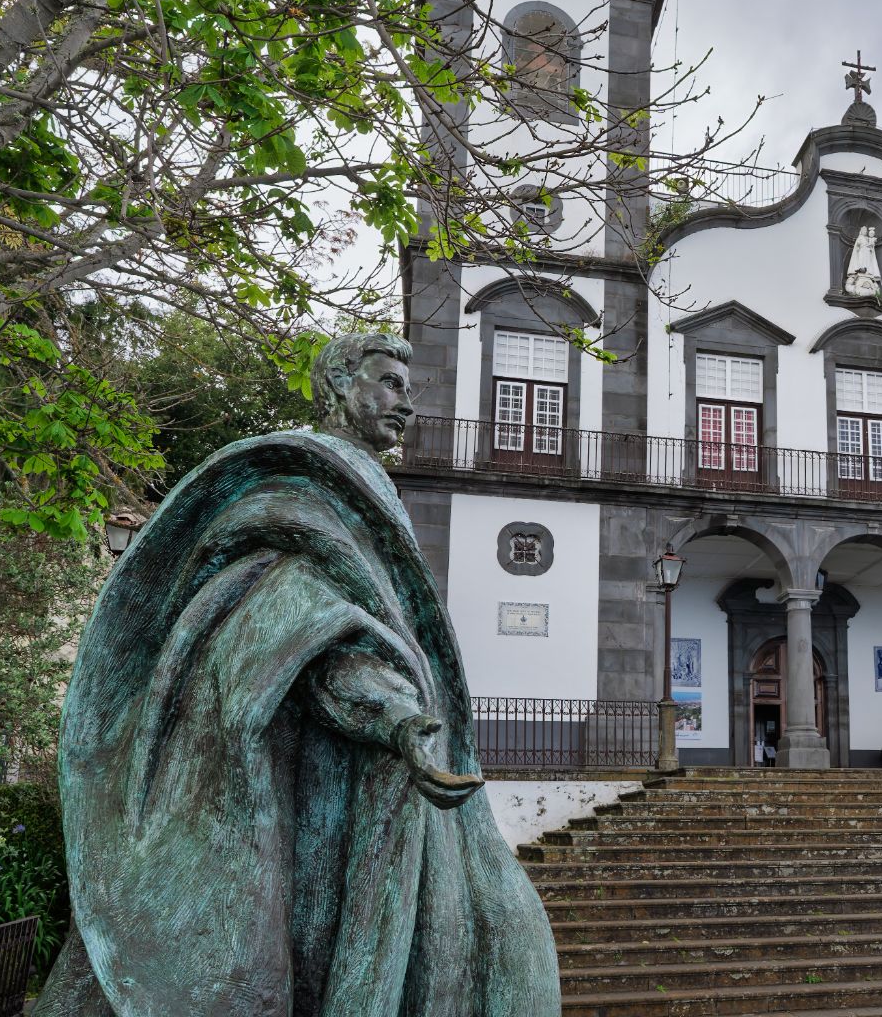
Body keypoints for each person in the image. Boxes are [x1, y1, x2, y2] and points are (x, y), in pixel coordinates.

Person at [35, 332, 559, 1015]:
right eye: (388, 382)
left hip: (368, 780)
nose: (406, 402)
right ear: (340, 385)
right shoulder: (306, 494)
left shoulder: (359, 490)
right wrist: (395, 714)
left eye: (410, 386)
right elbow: (312, 627)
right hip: (335, 774)